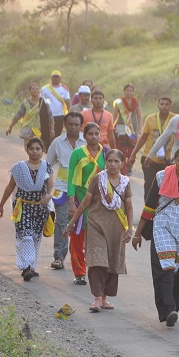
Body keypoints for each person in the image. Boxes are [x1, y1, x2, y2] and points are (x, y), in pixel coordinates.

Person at [132, 146, 179, 327]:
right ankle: (168, 309)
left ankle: (173, 309)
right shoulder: (161, 176)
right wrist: (137, 234)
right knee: (165, 267)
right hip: (163, 226)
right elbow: (150, 207)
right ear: (173, 159)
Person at [65, 149, 133, 311]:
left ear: (122, 164)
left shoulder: (125, 183)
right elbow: (85, 203)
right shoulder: (98, 179)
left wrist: (130, 229)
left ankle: (104, 298)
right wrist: (72, 223)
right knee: (97, 262)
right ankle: (96, 298)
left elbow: (129, 208)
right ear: (105, 162)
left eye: (117, 161)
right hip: (96, 225)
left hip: (116, 229)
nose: (112, 164)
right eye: (109, 160)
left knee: (111, 262)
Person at [0, 137, 54, 281]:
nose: (34, 151)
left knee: (35, 237)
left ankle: (31, 267)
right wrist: (1, 205)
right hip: (23, 207)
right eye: (31, 149)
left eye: (38, 149)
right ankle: (26, 267)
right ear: (26, 150)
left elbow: (51, 186)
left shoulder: (46, 167)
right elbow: (10, 187)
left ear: (42, 150)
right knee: (25, 235)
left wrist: (48, 196)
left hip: (40, 208)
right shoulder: (19, 167)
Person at [66, 122, 107, 286]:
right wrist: (71, 201)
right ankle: (79, 272)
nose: (94, 137)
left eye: (97, 134)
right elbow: (71, 179)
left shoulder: (106, 153)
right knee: (77, 237)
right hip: (80, 200)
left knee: (97, 239)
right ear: (85, 135)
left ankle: (97, 270)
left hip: (99, 204)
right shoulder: (77, 153)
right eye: (90, 134)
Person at [46, 111, 84, 271]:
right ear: (65, 125)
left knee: (82, 225)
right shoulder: (57, 142)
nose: (73, 127)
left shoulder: (86, 142)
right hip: (61, 188)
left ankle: (80, 258)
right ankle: (59, 256)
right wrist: (47, 189)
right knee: (62, 222)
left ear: (81, 126)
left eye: (76, 124)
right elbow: (47, 166)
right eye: (70, 124)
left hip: (82, 190)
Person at [129, 96, 174, 197]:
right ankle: (148, 210)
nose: (164, 107)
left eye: (167, 104)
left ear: (171, 106)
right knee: (149, 185)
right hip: (150, 158)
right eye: (162, 104)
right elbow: (143, 137)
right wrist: (133, 154)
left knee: (164, 188)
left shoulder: (175, 119)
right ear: (157, 105)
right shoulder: (150, 118)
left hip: (167, 160)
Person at [6, 82, 54, 149]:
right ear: (30, 91)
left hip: (39, 130)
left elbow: (50, 117)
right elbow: (18, 116)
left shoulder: (44, 103)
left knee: (37, 148)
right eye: (33, 89)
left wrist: (52, 129)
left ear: (39, 91)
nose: (35, 90)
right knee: (28, 148)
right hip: (28, 130)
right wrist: (10, 127)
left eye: (37, 89)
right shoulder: (25, 103)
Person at [112, 83, 142, 175]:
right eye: (127, 90)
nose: (129, 92)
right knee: (121, 147)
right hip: (121, 127)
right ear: (124, 91)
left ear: (133, 92)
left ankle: (129, 166)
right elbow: (114, 115)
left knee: (132, 148)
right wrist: (111, 127)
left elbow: (140, 116)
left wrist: (141, 128)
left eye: (131, 91)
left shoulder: (136, 102)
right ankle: (122, 167)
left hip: (132, 128)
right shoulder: (119, 102)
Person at [40, 70, 71, 143]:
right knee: (46, 134)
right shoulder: (45, 88)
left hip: (59, 116)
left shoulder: (64, 88)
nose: (55, 78)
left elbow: (68, 102)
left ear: (60, 78)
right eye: (54, 77)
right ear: (51, 77)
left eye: (57, 77)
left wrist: (70, 114)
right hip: (46, 116)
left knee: (57, 135)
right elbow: (40, 103)